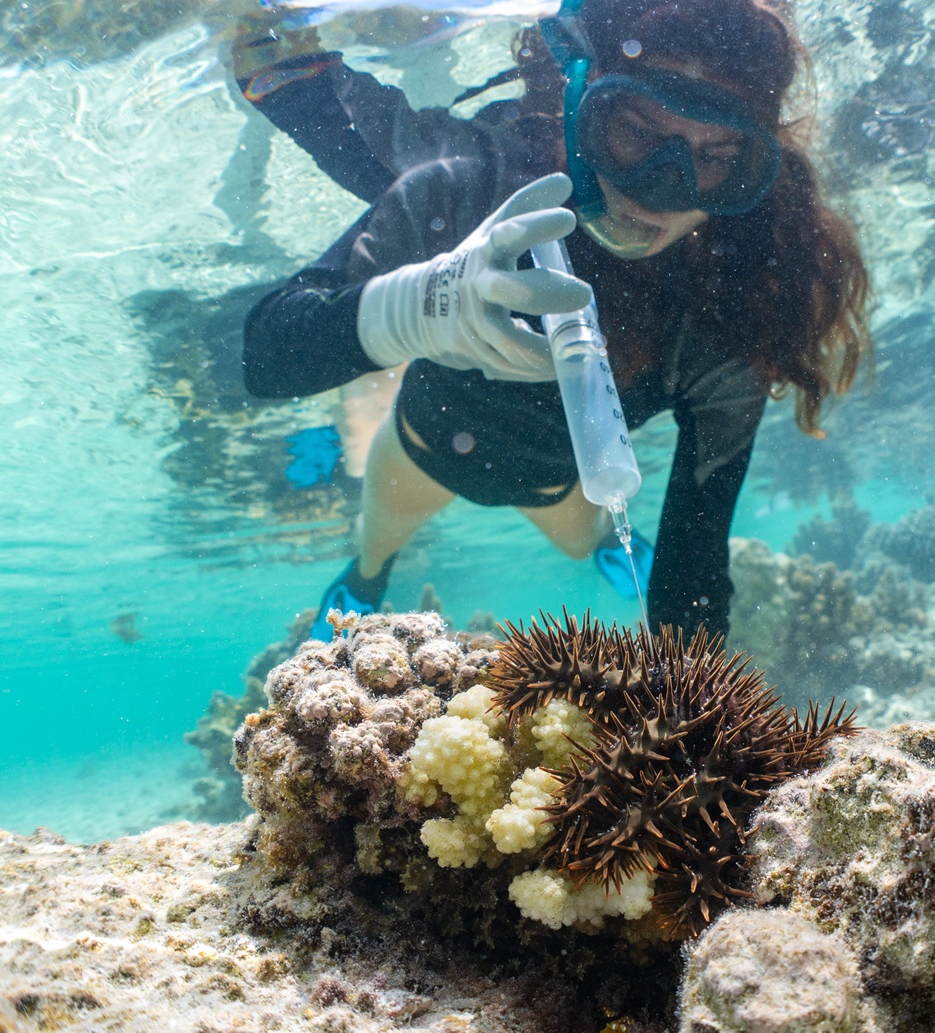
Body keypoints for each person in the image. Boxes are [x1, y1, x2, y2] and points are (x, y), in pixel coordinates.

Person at [237, 0, 871, 641]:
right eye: (634, 130)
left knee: (586, 539)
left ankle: (601, 546)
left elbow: (696, 558)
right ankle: (368, 579)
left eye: (713, 156)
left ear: (751, 170)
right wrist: (418, 307)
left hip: (560, 491)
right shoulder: (479, 193)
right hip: (417, 454)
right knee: (374, 550)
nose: (660, 189)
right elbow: (267, 355)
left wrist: (691, 729)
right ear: (579, 104)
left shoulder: (730, 314)